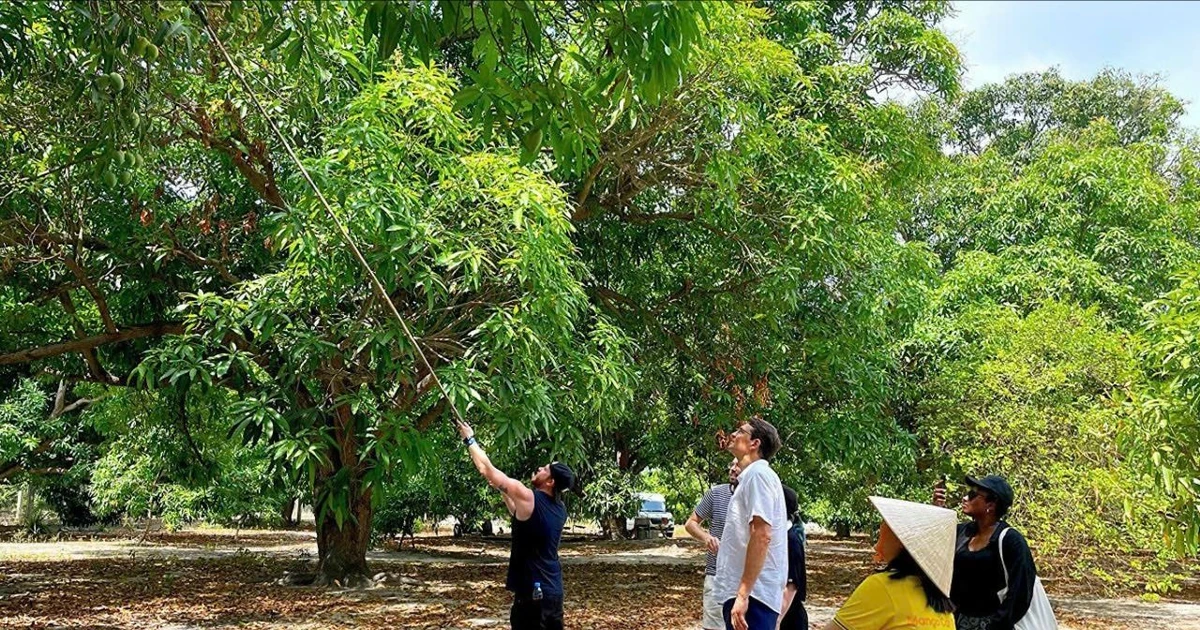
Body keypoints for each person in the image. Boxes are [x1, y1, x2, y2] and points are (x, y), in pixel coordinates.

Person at [456, 420, 576, 630]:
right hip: (552, 593)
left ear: (550, 482)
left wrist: (470, 439)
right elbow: (519, 514)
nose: (539, 468)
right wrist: (502, 488)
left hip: (533, 595)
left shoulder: (529, 498)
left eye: (545, 469)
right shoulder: (559, 510)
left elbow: (487, 469)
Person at [823, 496, 956, 630]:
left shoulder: (882, 586)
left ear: (901, 540)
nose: (881, 530)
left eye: (886, 527)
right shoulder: (943, 605)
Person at [934, 475, 1038, 630]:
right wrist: (937, 511)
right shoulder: (963, 532)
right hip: (957, 623)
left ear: (991, 504)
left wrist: (996, 625)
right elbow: (934, 552)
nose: (964, 498)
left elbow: (1020, 593)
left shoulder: (1010, 540)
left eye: (972, 495)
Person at [713, 416, 788, 630]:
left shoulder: (758, 475)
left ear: (754, 444)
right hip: (748, 594)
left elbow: (762, 535)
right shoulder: (751, 477)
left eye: (740, 431)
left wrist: (743, 594)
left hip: (754, 597)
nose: (733, 435)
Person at [686, 459, 742, 630]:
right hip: (716, 574)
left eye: (737, 464)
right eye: (731, 464)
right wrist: (706, 537)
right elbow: (690, 523)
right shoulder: (715, 494)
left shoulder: (757, 496)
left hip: (746, 578)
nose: (732, 468)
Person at [777, 485, 807, 630]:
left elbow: (792, 585)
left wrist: (777, 620)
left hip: (790, 618)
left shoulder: (792, 540)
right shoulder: (780, 537)